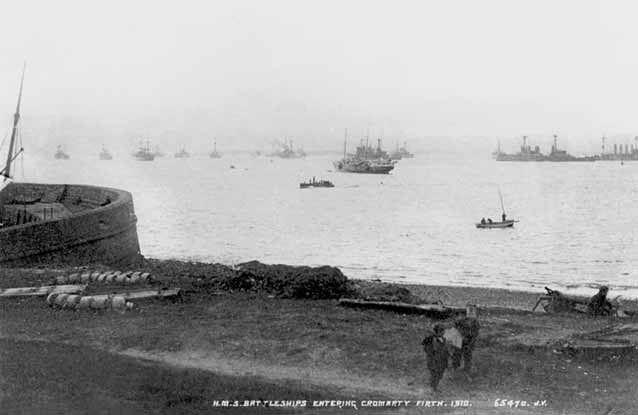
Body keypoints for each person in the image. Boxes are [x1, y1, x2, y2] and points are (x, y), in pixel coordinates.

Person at [450, 304, 480, 371]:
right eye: (470, 310)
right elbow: (455, 325)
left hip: (469, 340)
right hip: (460, 339)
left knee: (467, 356)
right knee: (457, 355)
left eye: (472, 310)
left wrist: (471, 342)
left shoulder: (476, 322)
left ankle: (466, 369)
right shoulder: (462, 320)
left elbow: (475, 334)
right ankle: (455, 368)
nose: (471, 312)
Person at [422, 324, 449, 391]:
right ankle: (432, 388)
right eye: (442, 331)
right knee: (434, 374)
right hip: (433, 360)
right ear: (438, 331)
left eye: (443, 331)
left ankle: (434, 387)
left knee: (440, 375)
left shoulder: (443, 339)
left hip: (442, 360)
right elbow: (427, 349)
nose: (443, 332)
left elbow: (445, 349)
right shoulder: (430, 339)